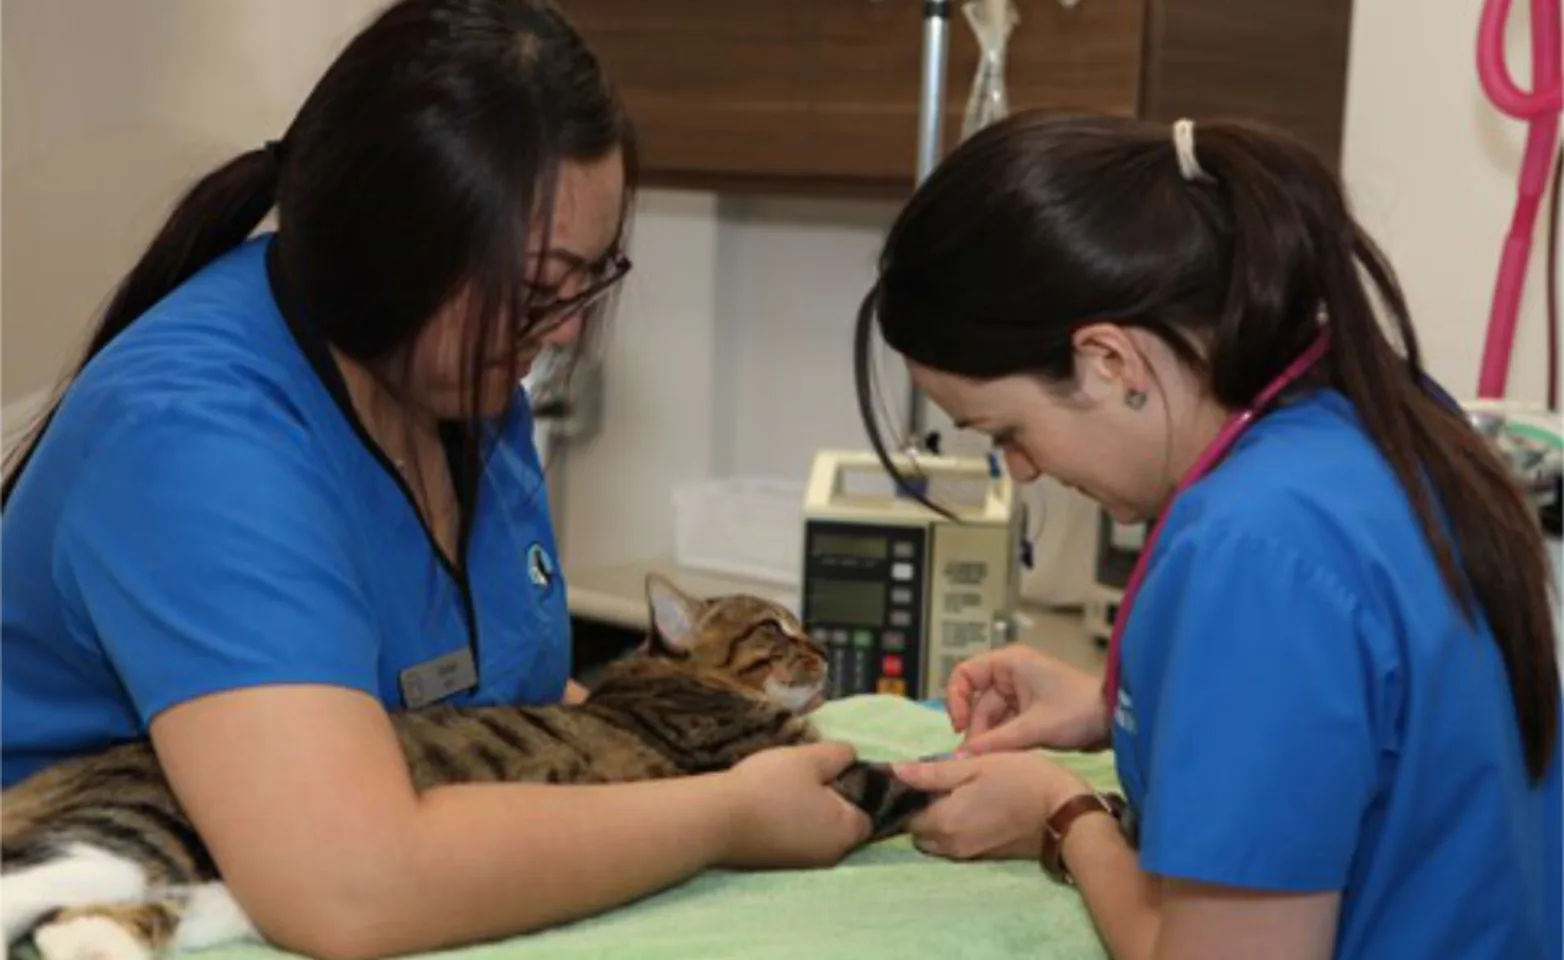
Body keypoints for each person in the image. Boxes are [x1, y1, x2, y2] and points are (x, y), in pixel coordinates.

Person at [0, 1, 870, 956]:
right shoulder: (195, 437)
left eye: (590, 280)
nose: (568, 330)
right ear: (388, 247)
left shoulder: (461, 389)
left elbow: (495, 702)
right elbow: (349, 888)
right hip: (93, 898)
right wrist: (723, 817)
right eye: (538, 289)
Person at [855, 110, 1561, 959]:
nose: (1023, 470)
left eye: (1005, 430)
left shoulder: (1250, 548)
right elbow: (1381, 739)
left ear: (1109, 361)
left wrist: (1065, 816)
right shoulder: (1388, 414)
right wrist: (1130, 709)